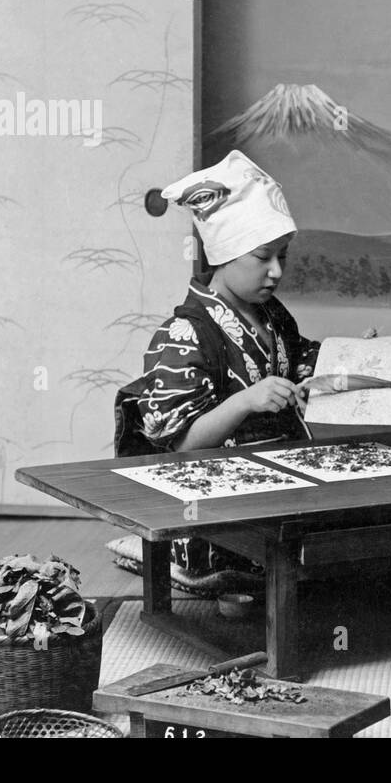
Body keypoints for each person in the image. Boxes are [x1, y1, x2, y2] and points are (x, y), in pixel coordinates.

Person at [113, 150, 319, 580]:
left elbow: (301, 365)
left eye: (283, 256)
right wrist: (245, 401)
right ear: (225, 254)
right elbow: (182, 446)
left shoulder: (274, 316)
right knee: (291, 561)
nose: (276, 271)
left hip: (281, 475)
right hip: (212, 492)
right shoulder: (184, 333)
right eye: (263, 257)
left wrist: (339, 365)